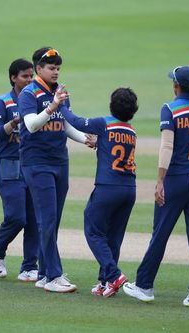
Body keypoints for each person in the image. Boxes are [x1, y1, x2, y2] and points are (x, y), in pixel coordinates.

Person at [123, 66, 189, 306]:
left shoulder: (170, 109)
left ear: (177, 86)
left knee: (161, 233)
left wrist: (160, 181)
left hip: (176, 179)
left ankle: (144, 286)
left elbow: (166, 147)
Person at [17, 47, 94, 293]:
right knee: (47, 219)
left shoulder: (60, 92)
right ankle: (53, 275)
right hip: (37, 163)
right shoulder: (29, 93)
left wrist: (85, 139)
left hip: (60, 161)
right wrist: (52, 106)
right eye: (51, 68)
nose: (55, 72)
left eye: (58, 68)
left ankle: (43, 273)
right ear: (38, 69)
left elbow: (64, 124)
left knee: (53, 220)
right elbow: (30, 125)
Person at [59, 87, 138, 298]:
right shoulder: (131, 131)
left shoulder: (104, 123)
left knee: (93, 230)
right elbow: (114, 147)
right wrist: (100, 143)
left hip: (108, 187)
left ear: (112, 106)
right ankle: (106, 283)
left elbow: (75, 121)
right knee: (114, 237)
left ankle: (114, 275)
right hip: (129, 190)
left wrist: (63, 102)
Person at [0, 58, 39, 282]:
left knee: (35, 218)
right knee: (16, 217)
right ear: (13, 78)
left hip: (33, 163)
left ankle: (29, 267)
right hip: (9, 163)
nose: (29, 80)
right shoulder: (2, 103)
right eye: (24, 76)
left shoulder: (36, 100)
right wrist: (13, 123)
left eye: (31, 76)